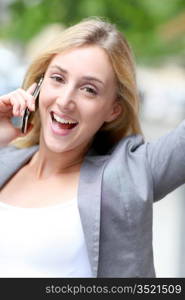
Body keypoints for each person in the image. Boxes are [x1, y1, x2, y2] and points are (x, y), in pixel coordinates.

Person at [0, 16, 184, 278]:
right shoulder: (5, 160)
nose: (65, 101)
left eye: (89, 89)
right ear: (38, 86)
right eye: (58, 78)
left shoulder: (128, 176)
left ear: (113, 109)